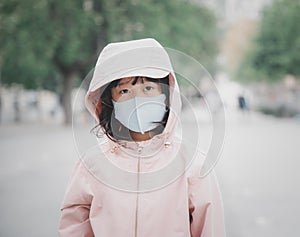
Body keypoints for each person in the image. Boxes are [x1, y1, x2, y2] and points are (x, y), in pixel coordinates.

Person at [58, 38, 226, 237]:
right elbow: (74, 224)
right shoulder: (92, 165)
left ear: (166, 95)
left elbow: (209, 228)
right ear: (109, 101)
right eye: (124, 91)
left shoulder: (192, 164)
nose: (138, 100)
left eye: (148, 89)